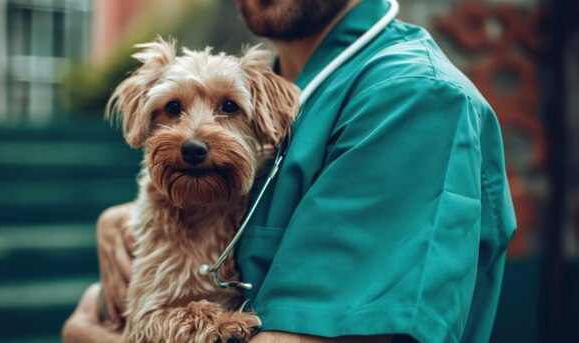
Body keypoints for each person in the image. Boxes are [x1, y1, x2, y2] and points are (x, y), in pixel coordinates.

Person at [62, 0, 516, 342]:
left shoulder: (413, 99)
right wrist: (136, 215)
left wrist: (86, 336)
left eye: (227, 108)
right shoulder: (291, 86)